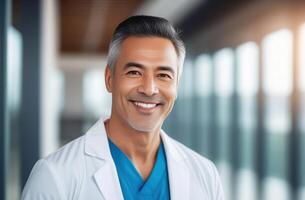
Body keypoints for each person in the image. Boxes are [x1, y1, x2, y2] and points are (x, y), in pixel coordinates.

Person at [22, 15, 224, 200]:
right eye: (135, 72)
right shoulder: (54, 176)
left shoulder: (205, 175)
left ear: (176, 85)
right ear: (109, 79)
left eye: (163, 75)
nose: (149, 89)